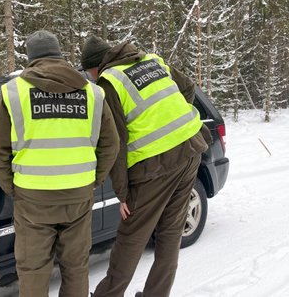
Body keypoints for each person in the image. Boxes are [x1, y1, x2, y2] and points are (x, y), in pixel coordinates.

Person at [0, 30, 119, 297]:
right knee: (75, 266)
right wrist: (94, 180)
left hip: (33, 198)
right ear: (59, 54)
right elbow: (111, 144)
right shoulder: (92, 94)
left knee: (33, 269)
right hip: (78, 194)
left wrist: (12, 188)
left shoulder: (14, 93)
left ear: (31, 58)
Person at [81, 36, 210, 297]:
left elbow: (116, 143)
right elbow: (187, 87)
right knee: (170, 235)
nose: (90, 77)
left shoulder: (110, 82)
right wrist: (172, 117)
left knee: (131, 239)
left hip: (156, 167)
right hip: (190, 150)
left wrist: (123, 193)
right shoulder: (151, 60)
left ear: (95, 67)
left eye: (88, 72)